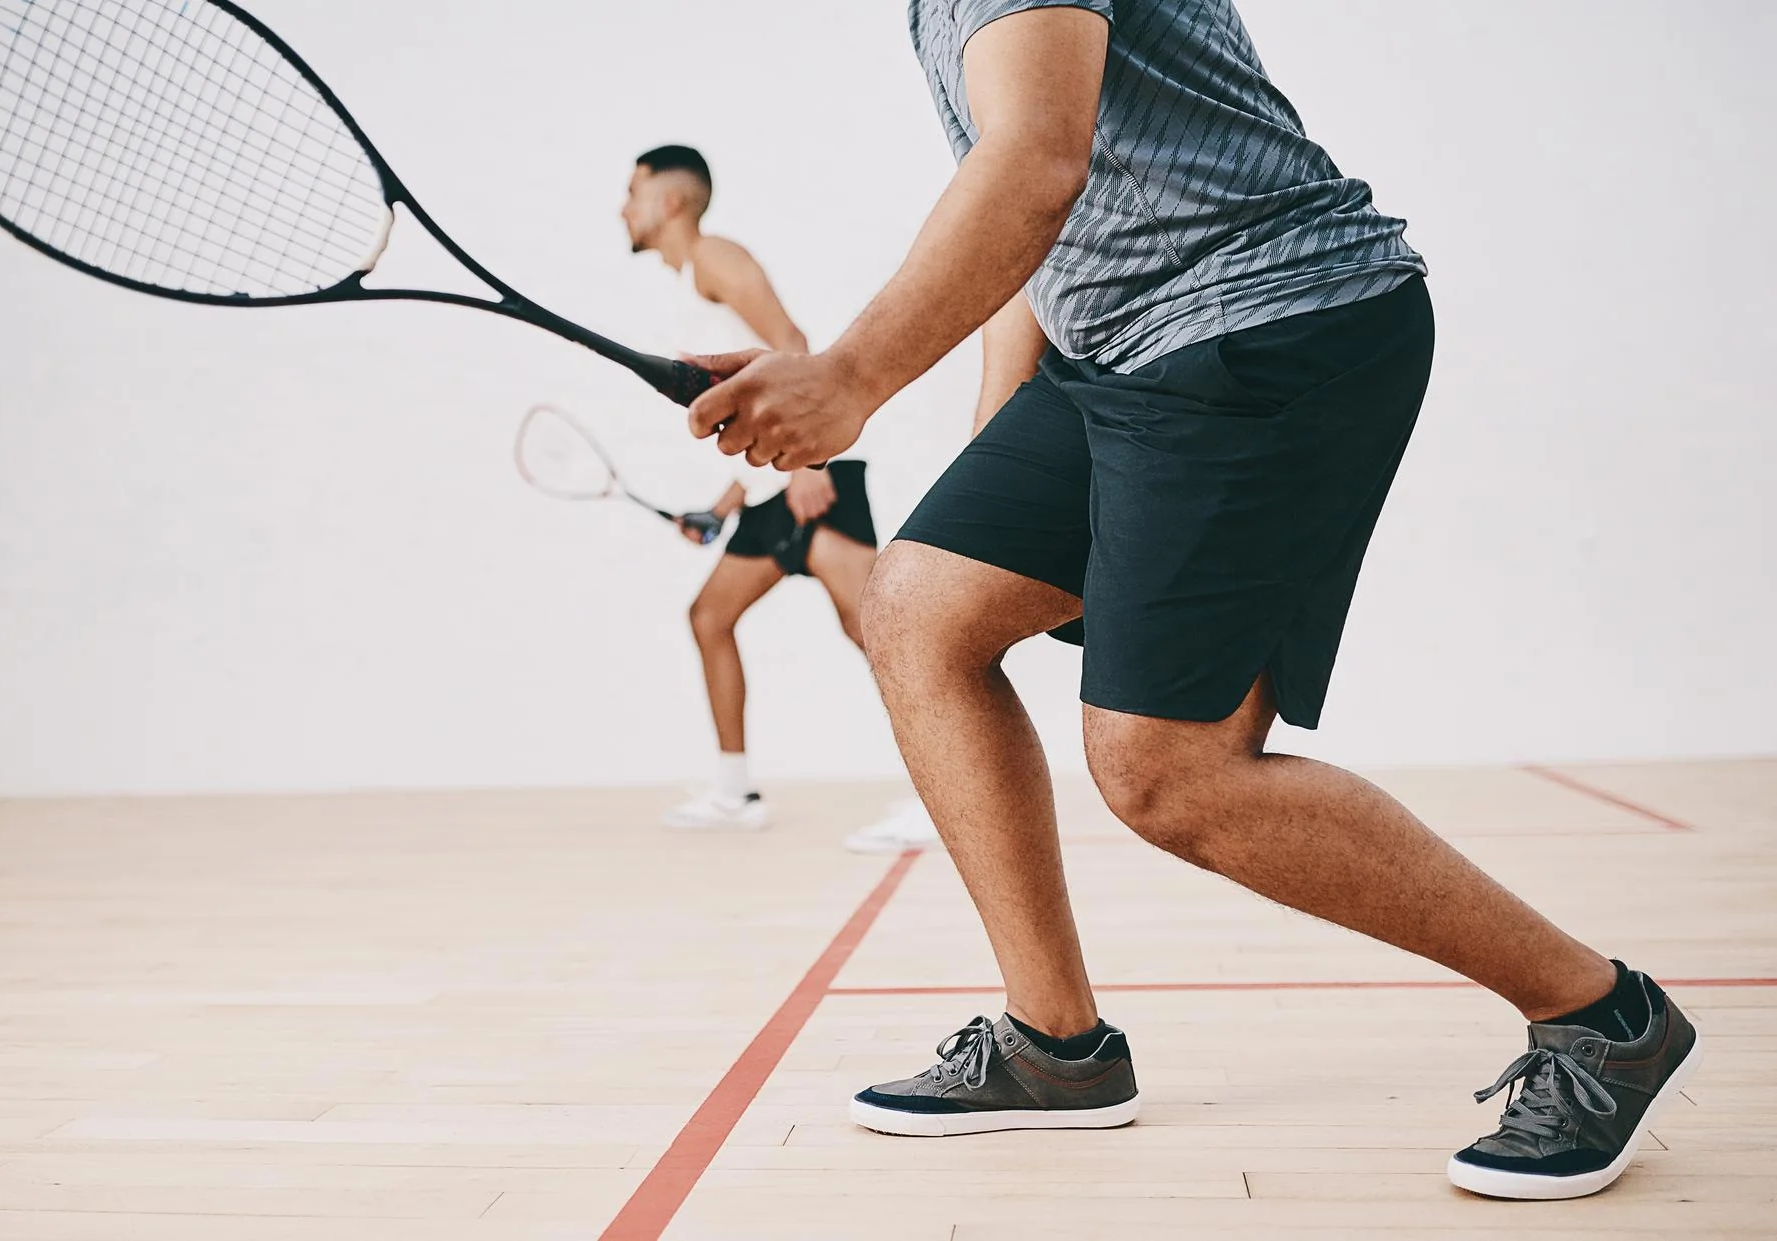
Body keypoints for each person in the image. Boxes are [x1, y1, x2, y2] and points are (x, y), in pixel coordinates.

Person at [683, 1, 1697, 1200]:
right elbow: (1027, 213)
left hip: (1268, 322)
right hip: (1116, 352)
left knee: (1166, 771)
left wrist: (853, 375)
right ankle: (1052, 1046)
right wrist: (991, 457)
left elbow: (1037, 163)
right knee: (916, 606)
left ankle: (1601, 1016)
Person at [621, 145, 907, 838]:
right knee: (709, 617)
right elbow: (753, 405)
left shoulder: (713, 256)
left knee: (884, 636)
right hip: (770, 491)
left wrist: (808, 465)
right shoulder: (688, 283)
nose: (621, 208)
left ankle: (948, 796)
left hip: (810, 479)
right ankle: (734, 792)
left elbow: (789, 338)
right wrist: (721, 507)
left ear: (670, 200)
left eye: (632, 192)